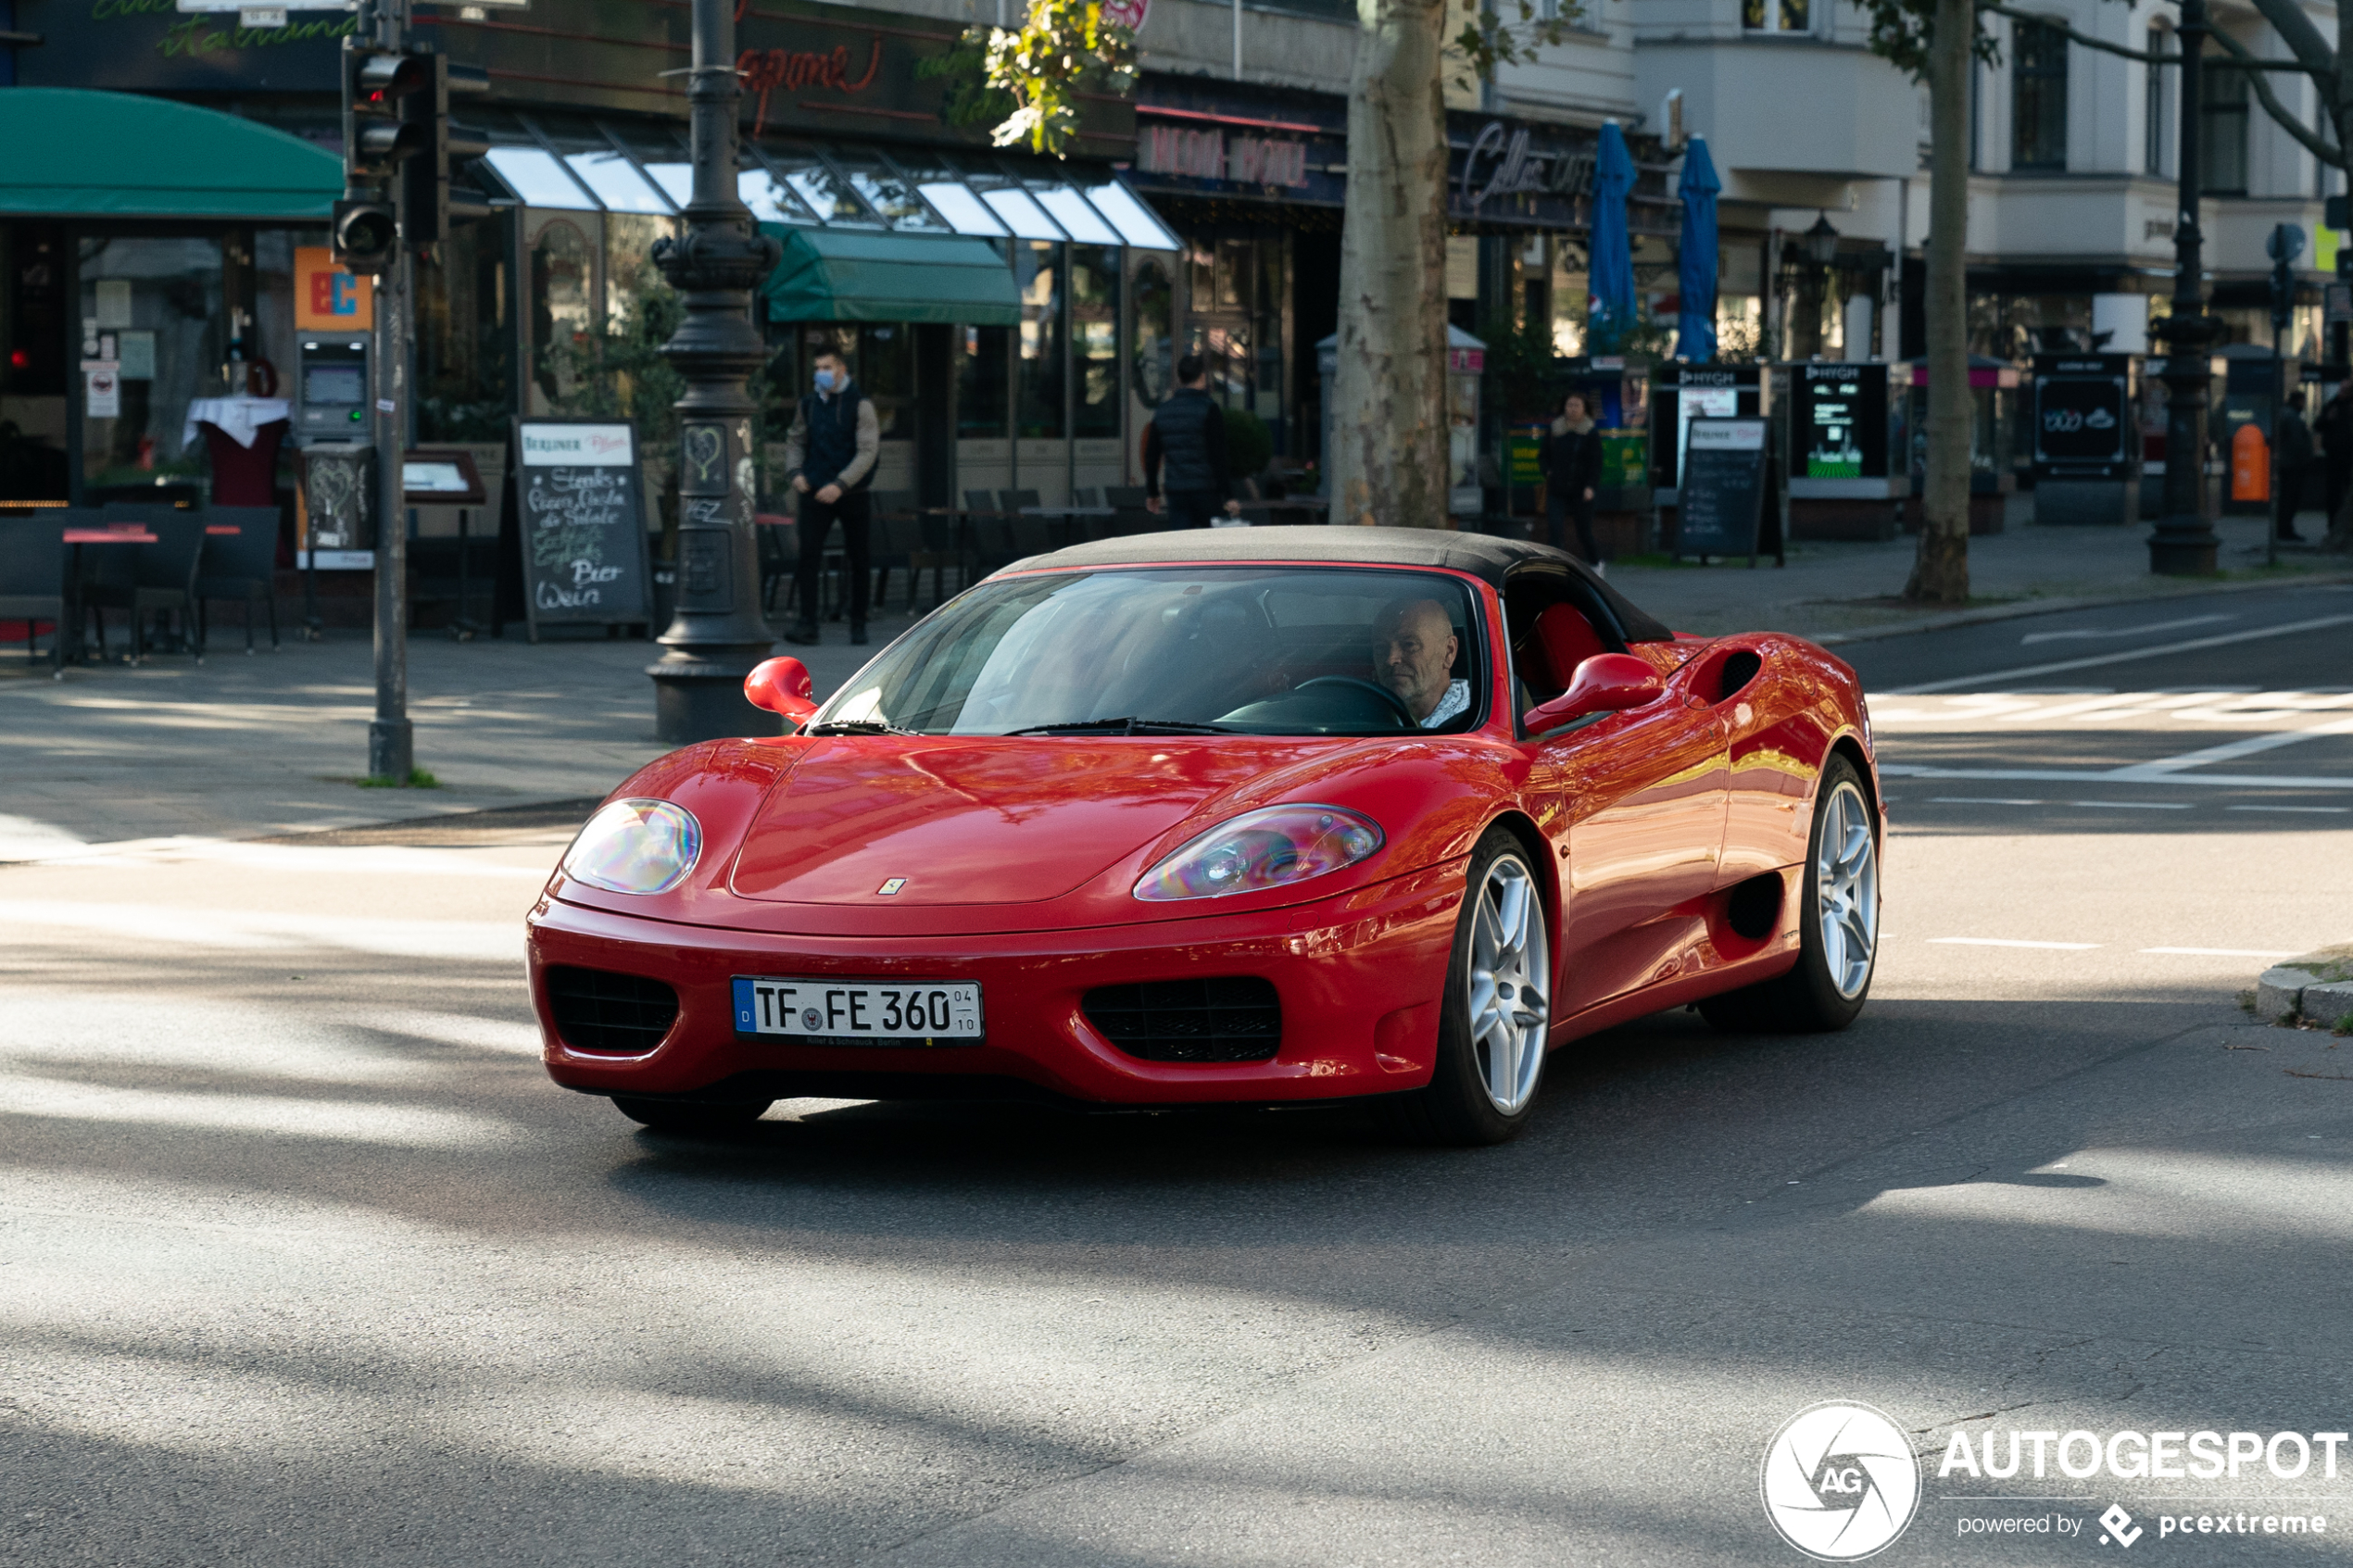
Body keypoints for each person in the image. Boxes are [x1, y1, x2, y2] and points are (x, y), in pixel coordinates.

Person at [782, 348, 878, 646]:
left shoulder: (861, 405)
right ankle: (807, 623)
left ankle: (858, 623)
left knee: (859, 557)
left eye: (826, 366)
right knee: (807, 556)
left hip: (852, 492)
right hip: (813, 489)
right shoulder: (809, 404)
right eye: (817, 367)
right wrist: (795, 472)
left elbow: (867, 451)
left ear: (841, 369)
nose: (820, 372)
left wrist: (841, 484)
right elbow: (796, 439)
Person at [1143, 354, 1243, 528]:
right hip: (1205, 490)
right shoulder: (1209, 409)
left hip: (1176, 491)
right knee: (1209, 546)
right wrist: (1229, 496)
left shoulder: (1163, 411)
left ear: (1180, 378)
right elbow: (1217, 455)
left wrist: (1153, 492)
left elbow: (1151, 456)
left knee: (1181, 547)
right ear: (1203, 376)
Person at [1373, 597, 1469, 728]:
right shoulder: (1362, 716)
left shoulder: (1473, 718)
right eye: (1381, 648)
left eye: (1409, 645)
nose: (1391, 659)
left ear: (1448, 652)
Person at [1538, 394, 1604, 568]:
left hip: (1581, 490)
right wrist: (1548, 471)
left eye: (1576, 405)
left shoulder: (1590, 432)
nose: (1572, 409)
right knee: (1555, 528)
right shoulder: (1555, 429)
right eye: (1569, 405)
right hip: (1557, 488)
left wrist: (1590, 486)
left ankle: (1596, 563)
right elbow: (1543, 456)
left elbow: (1596, 463)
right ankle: (1556, 566)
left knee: (1583, 531)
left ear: (1584, 409)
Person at [2277, 388, 2316, 542]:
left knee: (2286, 497)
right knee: (2290, 498)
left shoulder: (2285, 414)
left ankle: (2284, 528)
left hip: (2287, 463)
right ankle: (2286, 529)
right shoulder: (2292, 417)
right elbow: (2296, 443)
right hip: (2293, 465)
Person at [2316, 379, 2353, 539]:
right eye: (2341, 389)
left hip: (2348, 454)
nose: (2341, 392)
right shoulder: (2332, 405)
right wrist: (2327, 419)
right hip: (2334, 454)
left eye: (2345, 390)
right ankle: (2332, 524)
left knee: (2344, 488)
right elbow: (2318, 424)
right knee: (2333, 491)